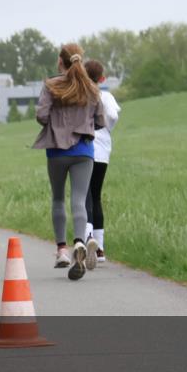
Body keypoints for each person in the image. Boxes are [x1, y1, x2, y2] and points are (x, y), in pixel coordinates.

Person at [32, 43, 106, 281]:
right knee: (79, 200)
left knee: (58, 198)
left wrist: (57, 122)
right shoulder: (91, 87)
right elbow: (101, 120)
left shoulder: (51, 85)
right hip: (83, 150)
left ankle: (62, 251)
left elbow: (41, 116)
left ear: (60, 62)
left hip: (56, 150)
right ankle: (80, 242)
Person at [84, 60, 121, 264]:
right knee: (96, 196)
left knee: (85, 195)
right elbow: (113, 115)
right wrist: (107, 128)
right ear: (103, 78)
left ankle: (87, 237)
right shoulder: (106, 96)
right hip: (103, 150)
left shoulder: (82, 94)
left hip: (85, 147)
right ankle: (100, 249)